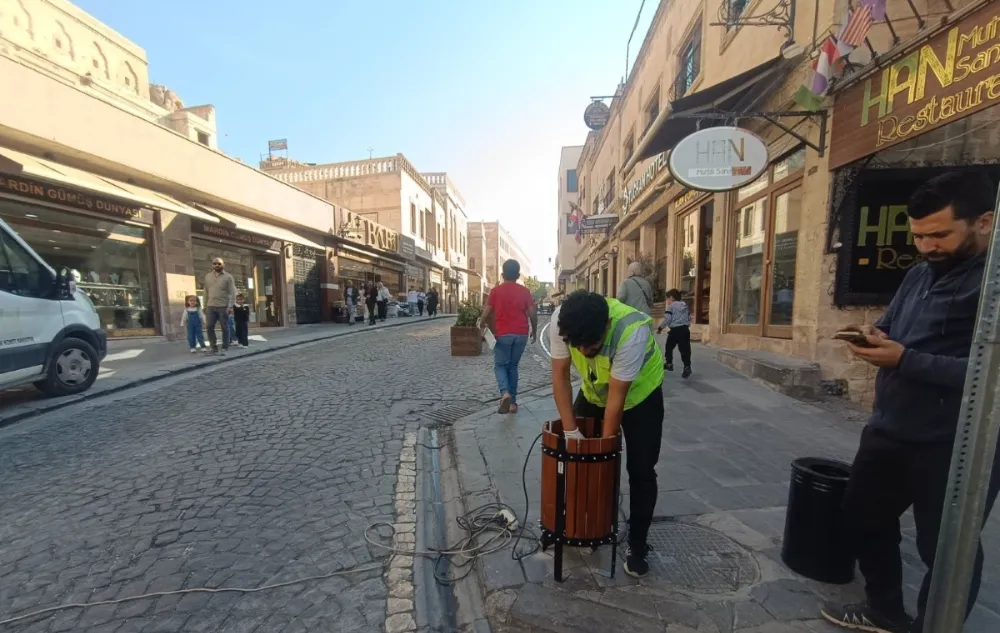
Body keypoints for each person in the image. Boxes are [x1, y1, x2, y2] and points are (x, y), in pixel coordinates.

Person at [820, 171, 1000, 633]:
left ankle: (936, 625)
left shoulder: (994, 287)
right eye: (919, 236)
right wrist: (876, 336)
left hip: (954, 443)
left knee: (946, 549)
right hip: (890, 428)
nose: (927, 246)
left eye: (940, 235)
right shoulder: (919, 273)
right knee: (861, 516)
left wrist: (905, 359)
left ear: (985, 221)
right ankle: (885, 611)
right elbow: (893, 325)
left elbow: (991, 377)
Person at [549, 290, 665, 578]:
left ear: (606, 327)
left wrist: (603, 453)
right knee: (576, 463)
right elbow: (560, 378)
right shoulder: (561, 324)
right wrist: (571, 432)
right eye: (580, 347)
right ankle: (587, 529)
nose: (585, 353)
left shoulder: (631, 331)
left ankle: (637, 546)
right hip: (593, 393)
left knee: (640, 470)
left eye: (593, 346)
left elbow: (616, 403)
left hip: (641, 397)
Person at [481, 259, 537, 413]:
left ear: (502, 274)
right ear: (518, 275)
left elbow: (487, 310)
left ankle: (505, 393)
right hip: (521, 334)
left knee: (500, 365)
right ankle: (512, 403)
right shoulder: (524, 291)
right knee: (513, 366)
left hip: (503, 334)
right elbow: (532, 312)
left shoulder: (496, 291)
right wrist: (535, 330)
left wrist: (480, 323)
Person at [203, 257, 236, 355]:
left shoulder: (228, 277)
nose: (216, 265)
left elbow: (232, 292)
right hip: (210, 306)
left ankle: (225, 348)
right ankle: (214, 348)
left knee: (224, 327)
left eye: (219, 264)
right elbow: (205, 291)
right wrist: (205, 305)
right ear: (212, 265)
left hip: (223, 306)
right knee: (209, 327)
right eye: (214, 263)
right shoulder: (208, 276)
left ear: (223, 265)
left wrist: (230, 306)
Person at [656, 289, 692, 378]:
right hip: (685, 329)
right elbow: (689, 316)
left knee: (669, 347)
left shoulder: (671, 307)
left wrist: (660, 328)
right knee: (685, 349)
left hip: (675, 330)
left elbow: (667, 319)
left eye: (667, 299)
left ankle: (669, 363)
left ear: (671, 298)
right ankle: (687, 366)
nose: (667, 301)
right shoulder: (685, 306)